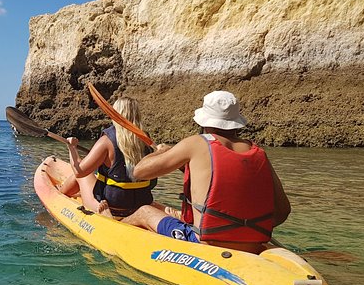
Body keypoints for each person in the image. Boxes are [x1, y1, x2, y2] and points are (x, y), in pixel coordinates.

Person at [120, 90, 291, 254]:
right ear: (236, 122)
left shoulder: (195, 143)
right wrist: (243, 231)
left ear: (203, 122)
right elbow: (283, 211)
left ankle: (113, 225)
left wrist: (161, 151)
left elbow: (139, 172)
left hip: (206, 242)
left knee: (144, 211)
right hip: (253, 245)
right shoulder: (258, 152)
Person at [59, 97, 156, 217]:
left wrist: (72, 148)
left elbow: (79, 171)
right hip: (140, 203)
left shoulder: (106, 141)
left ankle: (58, 195)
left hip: (111, 206)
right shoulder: (147, 141)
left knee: (82, 174)